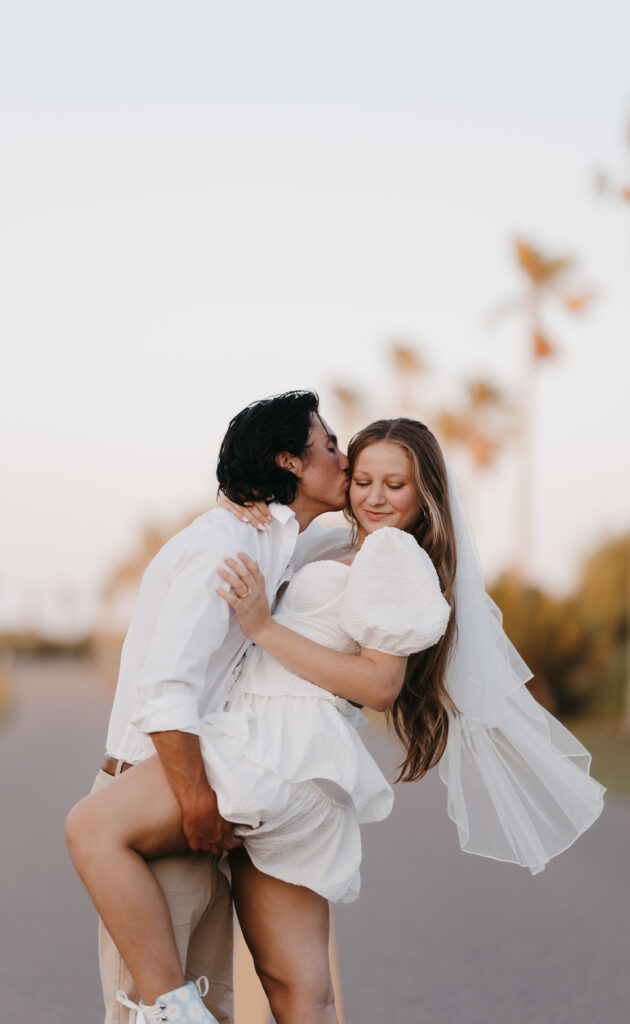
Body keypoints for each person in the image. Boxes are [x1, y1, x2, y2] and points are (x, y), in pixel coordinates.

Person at [67, 418, 605, 1024]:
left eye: (395, 485)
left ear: (423, 491)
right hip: (289, 759)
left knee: (92, 828)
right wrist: (239, 501)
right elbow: (278, 546)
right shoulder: (340, 544)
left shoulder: (395, 554)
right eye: (363, 478)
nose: (375, 496)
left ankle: (171, 1009)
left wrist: (264, 628)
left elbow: (380, 684)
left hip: (275, 752)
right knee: (299, 988)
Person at [75, 389, 351, 1024]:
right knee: (151, 1015)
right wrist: (198, 804)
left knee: (213, 1012)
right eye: (328, 446)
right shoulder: (225, 544)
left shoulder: (275, 544)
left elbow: (335, 553)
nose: (343, 457)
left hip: (195, 814)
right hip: (151, 807)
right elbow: (166, 689)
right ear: (289, 461)